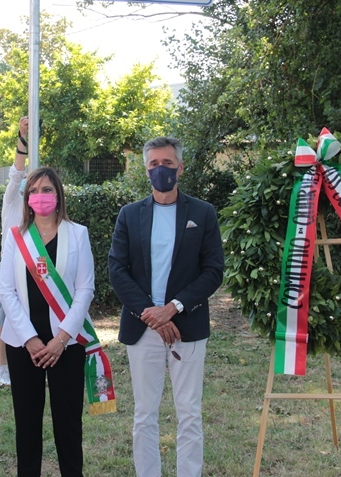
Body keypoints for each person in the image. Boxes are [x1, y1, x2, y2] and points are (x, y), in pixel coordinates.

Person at [108, 136, 224, 477]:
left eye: (168, 164)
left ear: (180, 168)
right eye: (155, 164)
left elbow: (213, 270)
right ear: (146, 170)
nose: (161, 169)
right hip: (142, 327)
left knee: (189, 412)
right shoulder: (130, 215)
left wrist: (172, 308)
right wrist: (152, 314)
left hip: (188, 326)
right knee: (145, 413)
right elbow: (117, 269)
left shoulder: (203, 213)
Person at [0, 166, 95, 477]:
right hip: (22, 344)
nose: (41, 196)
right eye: (34, 191)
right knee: (27, 424)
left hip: (65, 344)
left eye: (47, 190)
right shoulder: (16, 237)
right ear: (27, 198)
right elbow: (6, 290)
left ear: (59, 195)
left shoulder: (78, 234)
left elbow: (85, 289)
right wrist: (30, 339)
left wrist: (61, 339)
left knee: (68, 424)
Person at [0, 115, 30, 386]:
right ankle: (2, 369)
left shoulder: (39, 210)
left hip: (33, 269)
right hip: (10, 269)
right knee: (5, 318)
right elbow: (17, 170)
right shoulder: (12, 199)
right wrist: (23, 137)